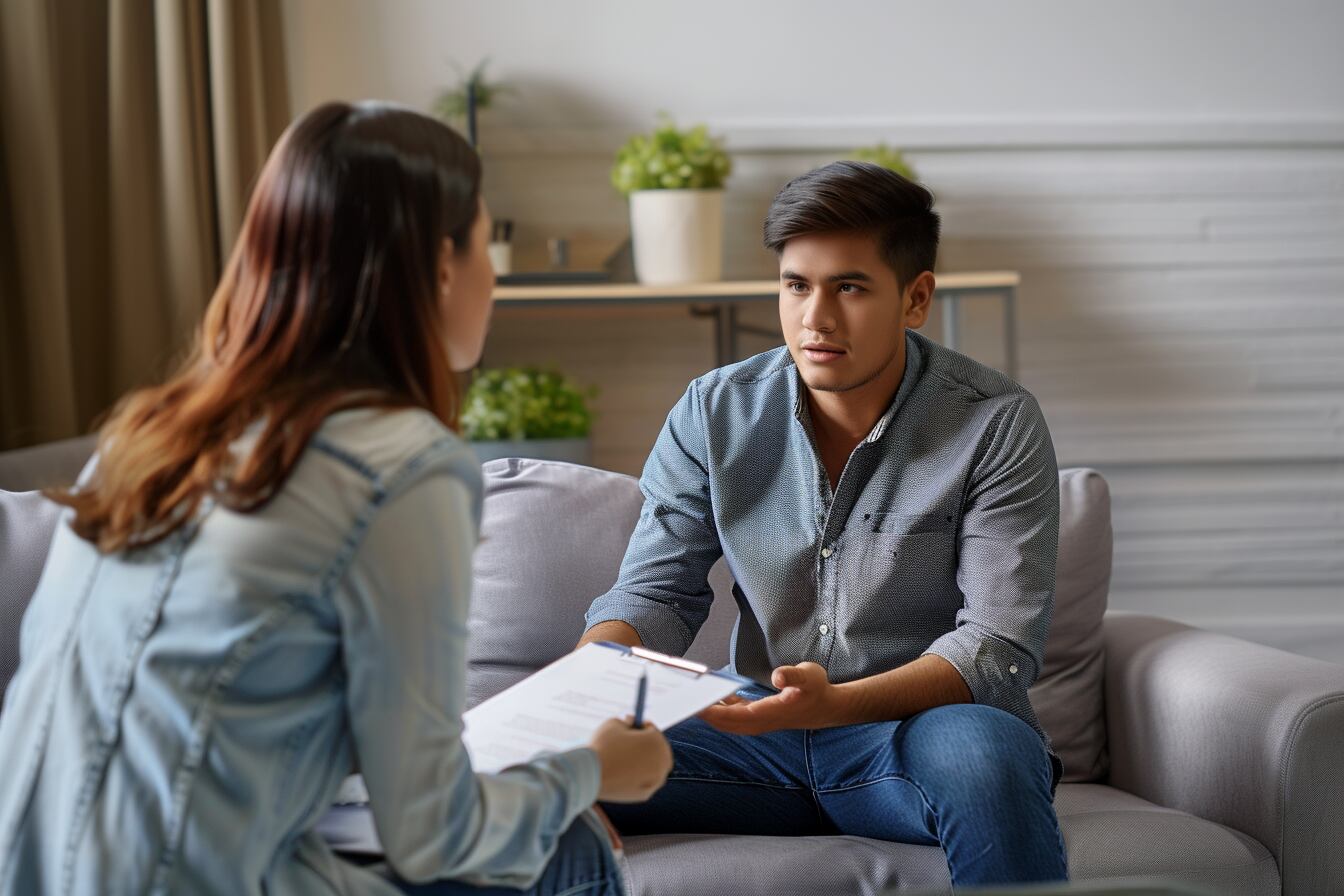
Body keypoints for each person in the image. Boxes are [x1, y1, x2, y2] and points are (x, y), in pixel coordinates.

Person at [0, 101, 672, 896]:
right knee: (570, 843)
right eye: (485, 242)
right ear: (441, 265)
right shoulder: (406, 467)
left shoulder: (145, 436)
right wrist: (592, 771)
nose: (494, 275)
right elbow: (432, 828)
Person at [580, 161, 1069, 887]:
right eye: (796, 285)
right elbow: (655, 596)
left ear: (916, 298)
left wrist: (837, 705)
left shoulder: (994, 422)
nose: (816, 318)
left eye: (849, 287)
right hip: (753, 736)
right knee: (541, 770)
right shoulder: (715, 411)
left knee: (986, 756)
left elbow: (995, 647)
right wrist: (592, 686)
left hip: (913, 738)